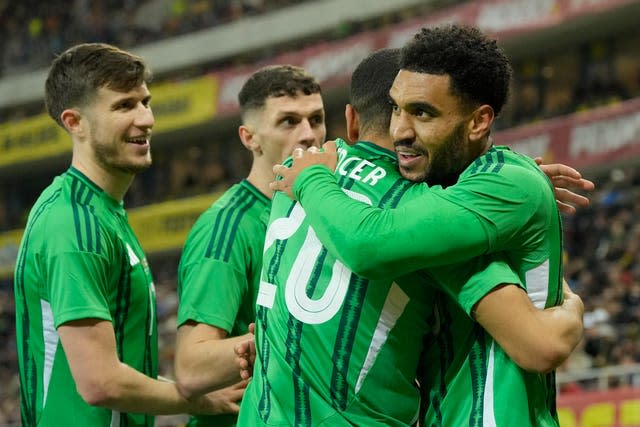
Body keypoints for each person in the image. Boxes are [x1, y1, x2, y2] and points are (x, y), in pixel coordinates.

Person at [238, 45, 587, 425]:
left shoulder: (296, 172)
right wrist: (572, 308)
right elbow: (540, 342)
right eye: (402, 110)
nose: (404, 128)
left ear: (351, 120)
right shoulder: (418, 212)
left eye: (420, 112)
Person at [13, 43, 238, 427]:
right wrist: (195, 400)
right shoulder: (73, 224)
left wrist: (193, 392)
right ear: (75, 122)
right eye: (123, 106)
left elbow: (119, 370)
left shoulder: (101, 210)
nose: (146, 118)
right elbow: (100, 382)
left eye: (144, 102)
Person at [174, 64, 326, 426]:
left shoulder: (320, 209)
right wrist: (295, 336)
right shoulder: (227, 226)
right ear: (250, 137)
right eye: (289, 122)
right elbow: (191, 367)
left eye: (316, 119)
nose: (309, 135)